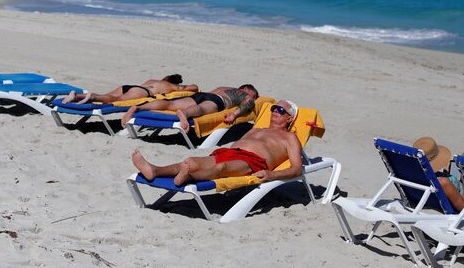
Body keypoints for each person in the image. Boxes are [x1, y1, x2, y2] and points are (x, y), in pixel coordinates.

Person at [132, 100, 302, 186]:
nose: (275, 112)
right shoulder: (257, 129)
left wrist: (272, 175)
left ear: (290, 118)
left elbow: (296, 169)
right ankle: (155, 170)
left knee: (222, 169)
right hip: (230, 153)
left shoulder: (290, 138)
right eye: (274, 108)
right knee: (190, 161)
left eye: (281, 110)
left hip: (253, 162)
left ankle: (186, 177)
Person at [121, 83, 259, 134]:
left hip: (202, 94)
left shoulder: (223, 87)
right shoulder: (243, 93)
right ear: (245, 89)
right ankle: (185, 114)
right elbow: (248, 102)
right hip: (218, 101)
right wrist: (234, 115)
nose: (252, 97)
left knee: (170, 105)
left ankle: (137, 108)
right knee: (201, 109)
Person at [62, 74, 199, 104]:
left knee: (107, 96)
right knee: (115, 100)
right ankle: (91, 97)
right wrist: (181, 87)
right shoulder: (170, 86)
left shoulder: (153, 80)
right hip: (143, 92)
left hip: (130, 87)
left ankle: (77, 96)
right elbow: (194, 87)